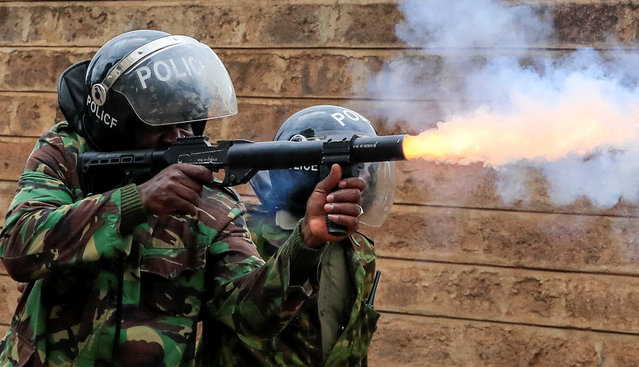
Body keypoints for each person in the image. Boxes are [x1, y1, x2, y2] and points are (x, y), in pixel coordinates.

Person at [0, 30, 366, 366]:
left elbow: (251, 317)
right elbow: (18, 247)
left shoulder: (212, 201)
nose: (180, 136)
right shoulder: (68, 154)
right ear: (121, 119)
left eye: (189, 122)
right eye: (162, 121)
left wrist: (307, 241)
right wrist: (136, 201)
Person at [199, 105, 397, 366]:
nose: (366, 179)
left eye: (366, 168)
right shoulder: (239, 233)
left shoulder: (360, 249)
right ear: (309, 169)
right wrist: (306, 242)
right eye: (355, 167)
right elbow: (246, 317)